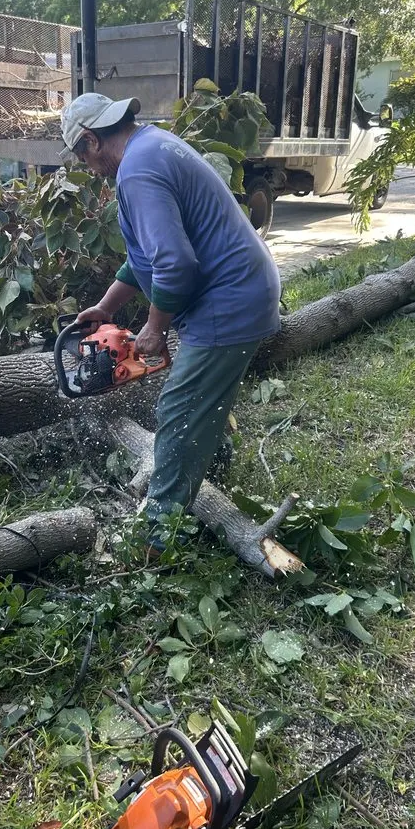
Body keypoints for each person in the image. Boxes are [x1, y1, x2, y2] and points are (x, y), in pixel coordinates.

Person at [61, 92, 281, 551]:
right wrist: (107, 307)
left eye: (82, 155)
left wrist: (154, 327)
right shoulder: (152, 145)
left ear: (91, 141)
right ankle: (212, 469)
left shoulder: (138, 170)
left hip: (230, 300)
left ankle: (157, 536)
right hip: (241, 288)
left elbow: (175, 264)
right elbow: (144, 255)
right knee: (201, 396)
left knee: (179, 411)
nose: (87, 166)